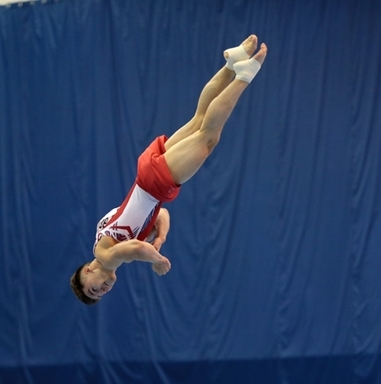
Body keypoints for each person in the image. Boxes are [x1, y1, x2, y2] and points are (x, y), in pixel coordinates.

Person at [70, 35, 268, 304]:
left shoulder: (105, 257)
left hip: (154, 184)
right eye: (100, 295)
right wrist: (160, 237)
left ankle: (244, 75)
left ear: (88, 270)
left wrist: (157, 259)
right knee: (199, 121)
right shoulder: (101, 234)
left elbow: (135, 249)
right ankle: (232, 63)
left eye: (93, 289)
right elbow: (161, 214)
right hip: (146, 174)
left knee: (208, 138)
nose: (102, 290)